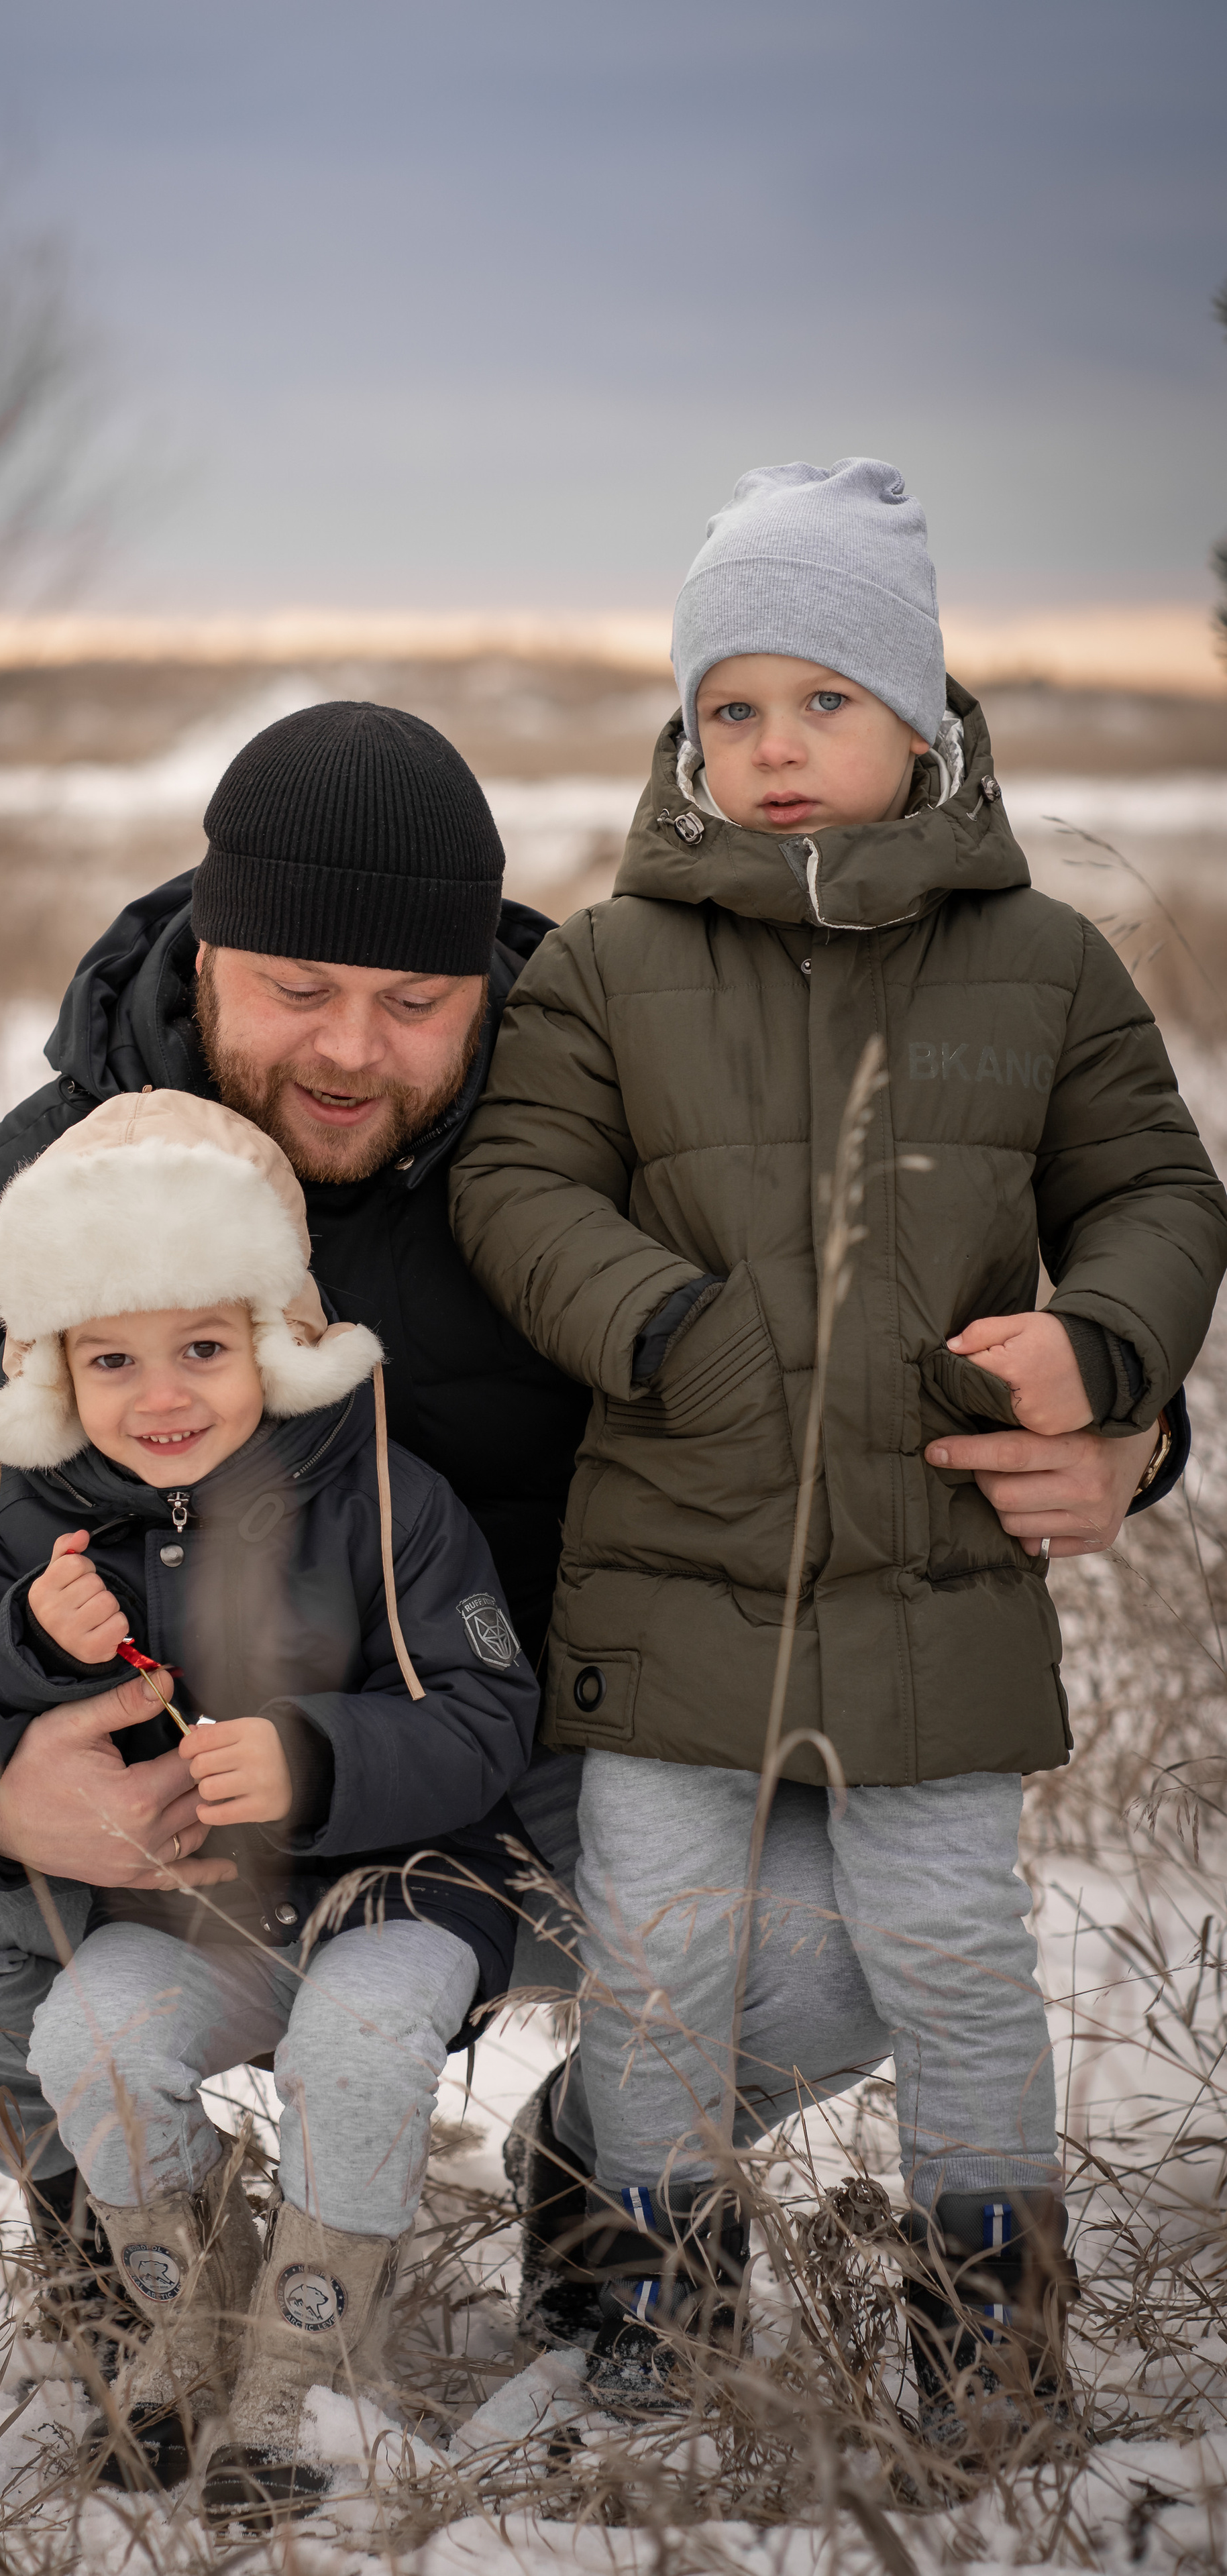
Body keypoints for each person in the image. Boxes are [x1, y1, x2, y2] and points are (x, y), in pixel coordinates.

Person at [0, 698, 1184, 2375]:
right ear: (205, 955)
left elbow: (860, 1344)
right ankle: (137, 2220)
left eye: (412, 1004)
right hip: (178, 1786)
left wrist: (1120, 1427)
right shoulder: (62, 1186)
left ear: (484, 985)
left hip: (523, 1762)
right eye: (297, 992)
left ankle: (601, 2166)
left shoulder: (593, 1133)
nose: (350, 1051)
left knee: (865, 1912)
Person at [449, 459, 1227, 2432]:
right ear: (685, 728)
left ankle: (989, 2340)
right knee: (657, 1960)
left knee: (956, 1953)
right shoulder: (614, 961)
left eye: (825, 703)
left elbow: (1157, 1189)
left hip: (935, 1572)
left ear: (923, 719)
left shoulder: (1042, 963)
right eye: (732, 707)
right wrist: (666, 1327)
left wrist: (1102, 1352)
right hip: (667, 1555)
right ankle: (655, 2309)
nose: (774, 749)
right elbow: (520, 1181)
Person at [0, 1083, 537, 2508]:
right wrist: (30, 1641)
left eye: (204, 1345)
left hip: (400, 1882)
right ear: (53, 1370)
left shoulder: (388, 1496)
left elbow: (488, 1712)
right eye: (111, 1359)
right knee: (90, 2035)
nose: (162, 1397)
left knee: (363, 2038)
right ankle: (187, 2332)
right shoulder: (39, 1516)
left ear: (274, 1336)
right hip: (191, 1900)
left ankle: (303, 2367)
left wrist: (319, 1757)